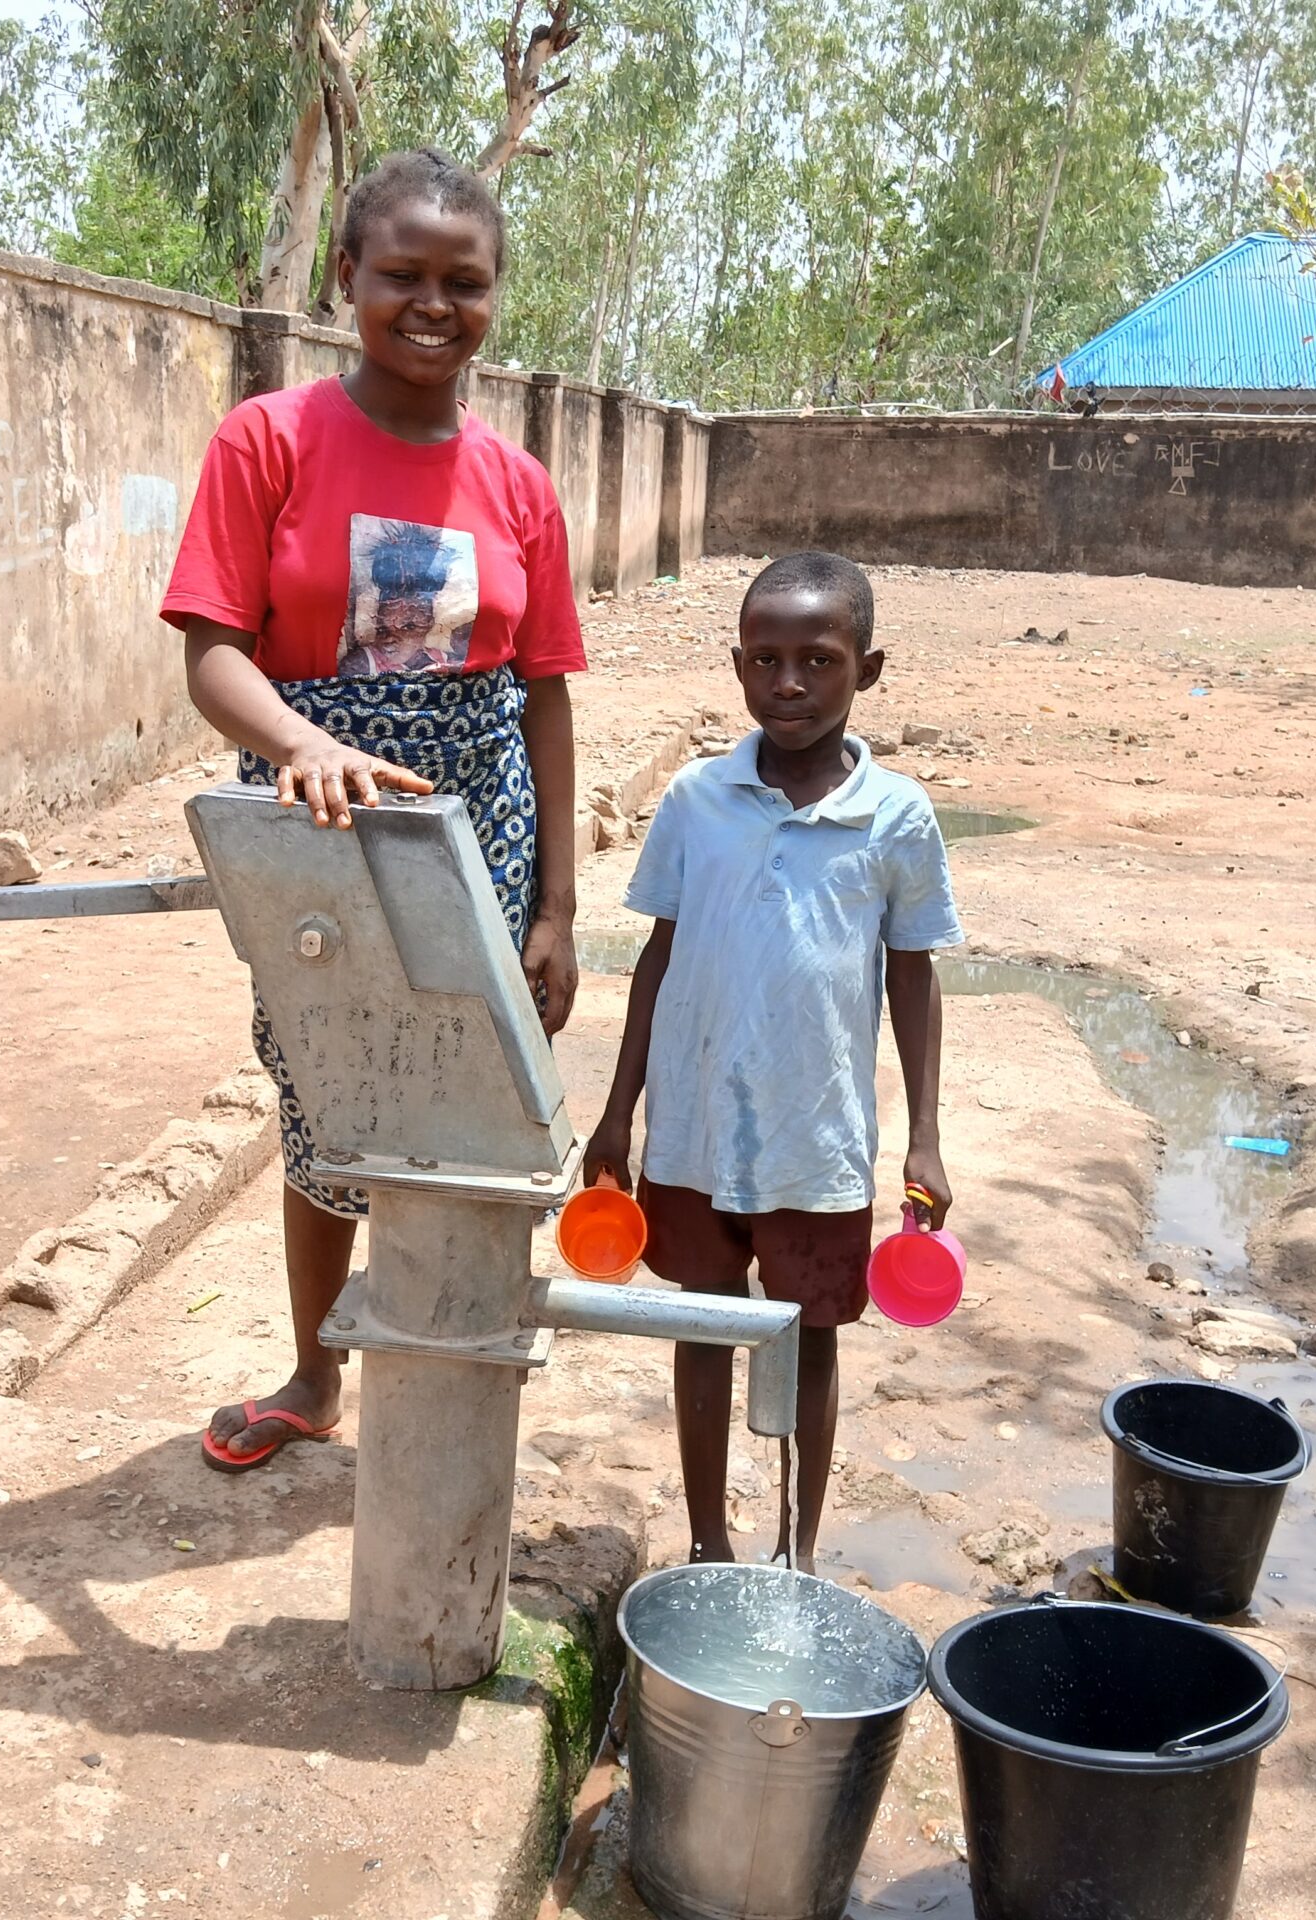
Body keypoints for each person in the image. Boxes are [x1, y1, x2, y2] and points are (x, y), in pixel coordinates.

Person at [162, 148, 584, 1473]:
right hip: (321, 830)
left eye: (466, 281)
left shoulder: (519, 486)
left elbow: (549, 696)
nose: (433, 303)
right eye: (401, 273)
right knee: (327, 1095)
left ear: (497, 296)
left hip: (483, 834)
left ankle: (451, 1362)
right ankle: (312, 1375)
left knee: (466, 1097)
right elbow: (212, 652)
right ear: (347, 277)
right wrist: (304, 744)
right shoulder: (269, 440)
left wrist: (560, 904)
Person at [583, 551, 959, 1572]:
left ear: (866, 670)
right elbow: (660, 956)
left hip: (818, 1139)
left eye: (817, 661)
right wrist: (619, 1112)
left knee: (811, 1334)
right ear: (736, 665)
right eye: (763, 660)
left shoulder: (896, 816)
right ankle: (708, 1541)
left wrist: (923, 1137)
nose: (787, 684)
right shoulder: (698, 801)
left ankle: (796, 1550)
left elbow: (911, 976)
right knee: (703, 1327)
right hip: (695, 1130)